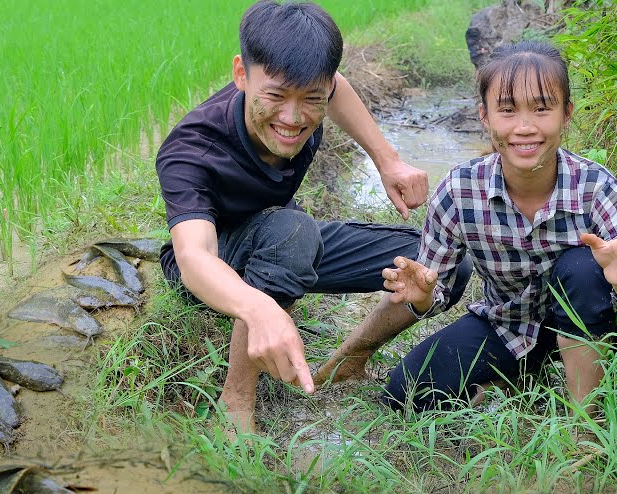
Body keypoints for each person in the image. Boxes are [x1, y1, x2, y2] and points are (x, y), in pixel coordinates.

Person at [156, 0, 472, 434]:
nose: (292, 116)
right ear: (240, 74)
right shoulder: (191, 150)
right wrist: (256, 307)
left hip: (281, 240)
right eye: (276, 96)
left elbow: (335, 85)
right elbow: (193, 257)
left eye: (311, 99)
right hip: (217, 263)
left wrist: (387, 161)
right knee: (293, 230)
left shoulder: (314, 93)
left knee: (440, 261)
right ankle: (236, 400)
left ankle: (348, 359)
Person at [380, 41, 617, 416]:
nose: (524, 127)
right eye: (506, 110)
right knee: (403, 393)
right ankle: (516, 375)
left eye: (541, 108)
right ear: (484, 116)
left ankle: (587, 421)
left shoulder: (594, 187)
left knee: (582, 268)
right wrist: (421, 296)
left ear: (566, 113)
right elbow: (436, 290)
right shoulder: (459, 190)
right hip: (508, 324)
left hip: (593, 321)